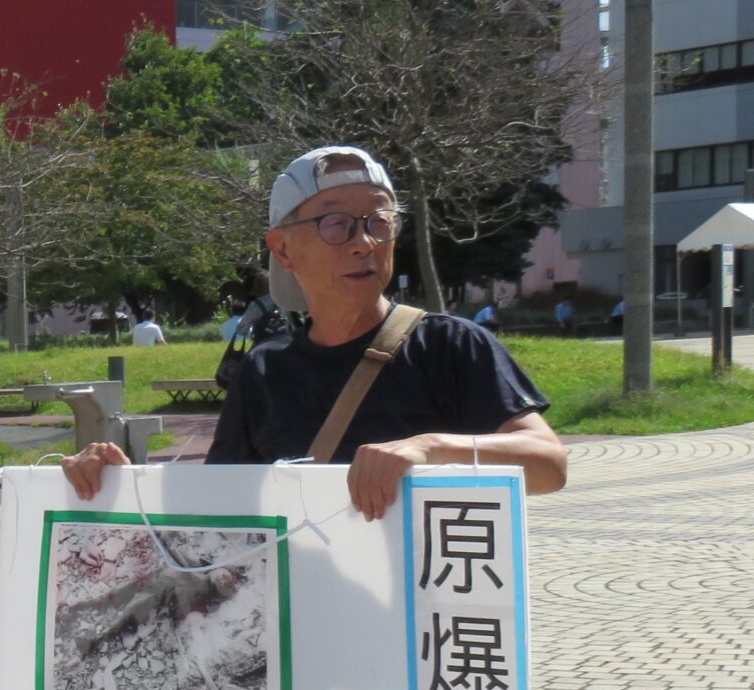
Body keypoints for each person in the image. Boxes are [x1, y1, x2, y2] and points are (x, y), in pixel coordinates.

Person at [62, 145, 568, 521]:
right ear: (282, 249)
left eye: (379, 221)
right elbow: (221, 509)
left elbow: (548, 464)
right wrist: (115, 483)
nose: (363, 243)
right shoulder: (264, 369)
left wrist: (430, 448)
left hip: (422, 633)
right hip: (306, 632)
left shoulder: (452, 346)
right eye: (336, 225)